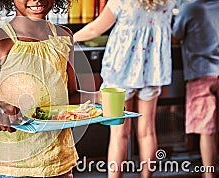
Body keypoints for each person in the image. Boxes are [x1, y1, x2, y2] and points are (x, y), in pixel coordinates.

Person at [0, 0, 99, 176]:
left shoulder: (63, 36)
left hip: (59, 162)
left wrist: (99, 97)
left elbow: (68, 96)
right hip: (13, 167)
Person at [73, 0, 174, 177]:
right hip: (151, 72)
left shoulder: (122, 1)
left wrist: (69, 38)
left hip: (119, 74)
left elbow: (94, 29)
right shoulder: (168, 1)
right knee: (147, 132)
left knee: (119, 135)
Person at [172, 1, 219, 178]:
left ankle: (209, 175)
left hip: (200, 74)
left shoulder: (190, 9)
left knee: (206, 130)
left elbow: (175, 36)